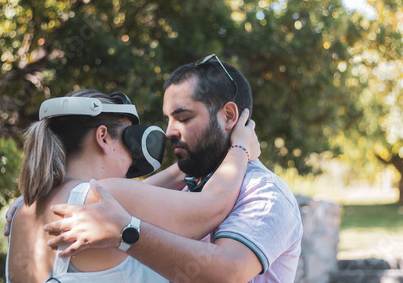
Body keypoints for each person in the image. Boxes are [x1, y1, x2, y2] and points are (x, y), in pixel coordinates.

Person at [42, 55, 304, 282]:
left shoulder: (264, 191)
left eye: (183, 117)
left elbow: (230, 272)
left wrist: (126, 233)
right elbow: (123, 200)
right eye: (168, 119)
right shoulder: (190, 189)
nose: (168, 132)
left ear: (228, 116)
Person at [5, 88, 260, 282]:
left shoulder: (23, 211)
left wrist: (193, 163)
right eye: (129, 142)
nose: (132, 161)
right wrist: (240, 148)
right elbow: (212, 207)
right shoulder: (107, 195)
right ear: (103, 137)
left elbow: (141, 195)